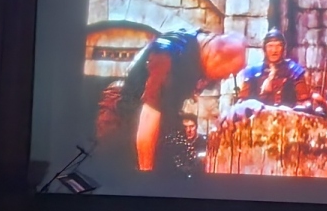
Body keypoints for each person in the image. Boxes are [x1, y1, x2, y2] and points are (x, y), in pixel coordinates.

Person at [96, 29, 247, 172]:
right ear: (216, 57)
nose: (226, 78)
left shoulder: (200, 46)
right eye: (230, 73)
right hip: (124, 122)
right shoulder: (167, 56)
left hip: (160, 121)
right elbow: (148, 118)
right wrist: (146, 177)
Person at [239, 28, 312, 107]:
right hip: (258, 113)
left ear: (283, 48)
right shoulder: (253, 72)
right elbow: (243, 100)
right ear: (264, 48)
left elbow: (303, 100)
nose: (274, 51)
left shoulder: (294, 71)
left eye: (278, 46)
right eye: (270, 46)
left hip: (287, 113)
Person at [161, 113, 208, 177]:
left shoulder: (204, 143)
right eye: (185, 127)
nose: (188, 130)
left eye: (192, 126)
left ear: (196, 127)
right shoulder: (177, 144)